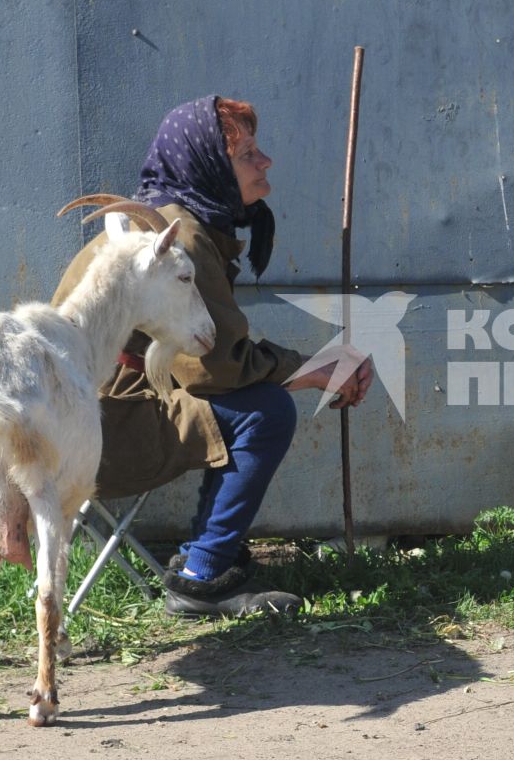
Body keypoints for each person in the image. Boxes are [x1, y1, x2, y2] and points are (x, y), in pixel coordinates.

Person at [52, 95, 373, 617]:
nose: (264, 161)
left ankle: (210, 552)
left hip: (83, 421)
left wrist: (315, 367)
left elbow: (204, 364)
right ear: (208, 166)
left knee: (252, 400)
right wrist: (319, 370)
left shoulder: (171, 219)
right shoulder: (182, 237)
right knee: (265, 412)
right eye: (246, 153)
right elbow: (216, 373)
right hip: (102, 433)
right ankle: (204, 574)